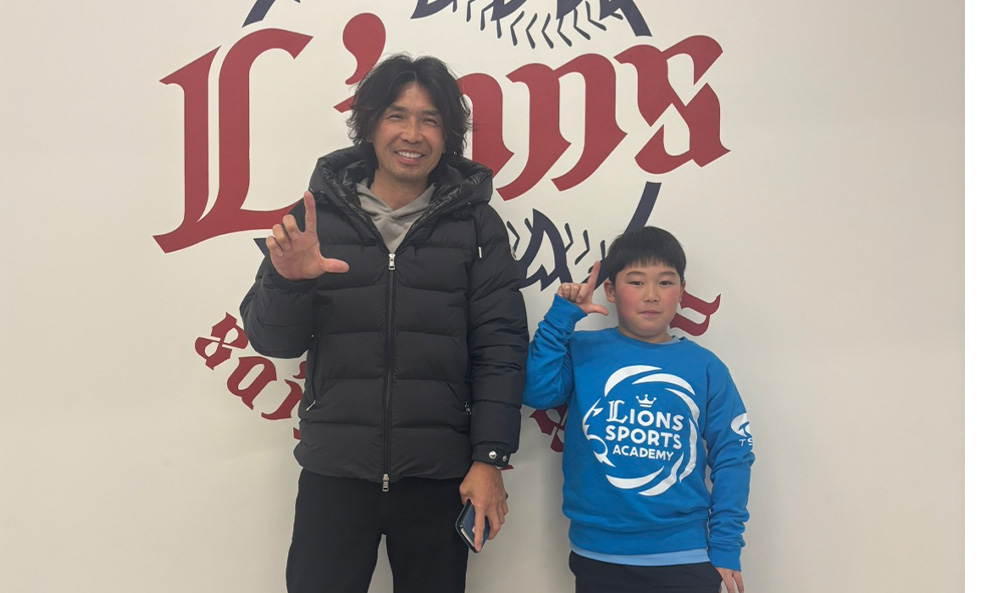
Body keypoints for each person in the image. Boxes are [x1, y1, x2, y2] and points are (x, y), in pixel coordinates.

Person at [239, 54, 528, 593]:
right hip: (336, 470)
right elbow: (272, 339)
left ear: (448, 136)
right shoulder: (314, 220)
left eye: (430, 120)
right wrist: (290, 282)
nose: (412, 134)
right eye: (397, 115)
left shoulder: (477, 226)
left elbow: (501, 349)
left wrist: (489, 459)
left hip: (438, 476)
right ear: (370, 124)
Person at [522, 227, 754, 593]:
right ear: (610, 290)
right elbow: (538, 392)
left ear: (681, 291)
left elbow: (733, 455)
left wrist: (726, 543)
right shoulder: (583, 350)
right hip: (597, 553)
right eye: (636, 282)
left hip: (683, 555)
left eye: (665, 282)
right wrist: (561, 317)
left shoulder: (705, 367)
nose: (651, 295)